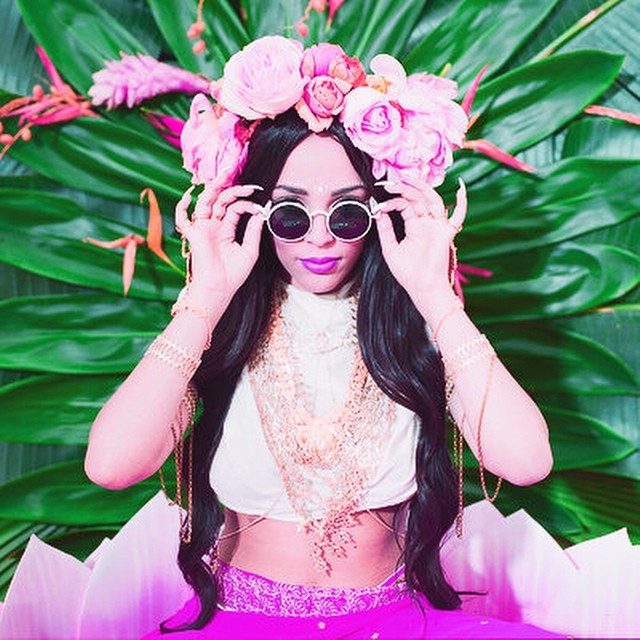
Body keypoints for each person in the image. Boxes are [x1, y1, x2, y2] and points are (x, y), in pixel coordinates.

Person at [84, 37, 560, 638]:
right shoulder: (220, 331)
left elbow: (527, 462)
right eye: (289, 214)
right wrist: (204, 298)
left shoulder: (413, 332)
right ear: (253, 211)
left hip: (394, 623)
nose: (319, 238)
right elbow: (111, 466)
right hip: (241, 623)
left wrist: (436, 295)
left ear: (380, 211)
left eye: (347, 214)